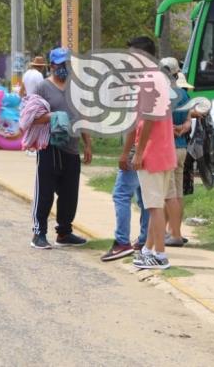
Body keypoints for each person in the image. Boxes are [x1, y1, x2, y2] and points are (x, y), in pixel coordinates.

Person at [30, 47, 93, 250]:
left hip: (72, 149)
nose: (64, 68)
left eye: (68, 64)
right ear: (52, 65)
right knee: (46, 192)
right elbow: (31, 117)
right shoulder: (42, 88)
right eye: (61, 64)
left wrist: (88, 143)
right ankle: (39, 233)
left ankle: (64, 232)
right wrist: (52, 117)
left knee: (69, 194)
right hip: (50, 147)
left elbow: (82, 116)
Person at [100, 36, 155, 262]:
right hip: (152, 148)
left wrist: (127, 152)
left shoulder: (143, 82)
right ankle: (143, 240)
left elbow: (138, 122)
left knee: (122, 194)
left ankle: (122, 241)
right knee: (144, 198)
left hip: (139, 147)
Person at [131, 47, 177, 270]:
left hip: (153, 153)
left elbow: (149, 117)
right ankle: (149, 249)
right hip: (165, 151)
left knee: (154, 206)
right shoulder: (161, 79)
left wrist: (139, 152)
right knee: (154, 204)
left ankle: (160, 254)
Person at [160, 57, 192, 248]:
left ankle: (175, 235)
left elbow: (161, 121)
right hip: (182, 147)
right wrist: (182, 128)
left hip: (167, 148)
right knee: (177, 193)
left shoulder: (164, 94)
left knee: (168, 194)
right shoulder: (184, 94)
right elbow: (189, 120)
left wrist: (171, 129)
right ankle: (171, 231)